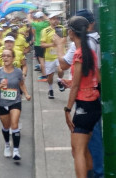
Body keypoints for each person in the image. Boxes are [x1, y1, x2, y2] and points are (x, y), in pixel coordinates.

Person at [54, 11, 103, 178]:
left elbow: (75, 86)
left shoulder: (79, 53)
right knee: (85, 148)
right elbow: (95, 77)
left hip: (84, 106)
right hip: (93, 104)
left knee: (78, 151)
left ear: (71, 33)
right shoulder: (90, 51)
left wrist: (67, 110)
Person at [0, 49, 31, 160]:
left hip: (15, 101)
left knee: (15, 124)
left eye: (8, 56)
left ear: (13, 58)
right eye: (4, 56)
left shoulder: (18, 72)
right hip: (2, 103)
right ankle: (7, 144)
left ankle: (16, 150)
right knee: (6, 126)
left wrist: (26, 94)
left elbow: (21, 84)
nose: (6, 58)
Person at [40, 12, 66, 99]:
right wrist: (52, 44)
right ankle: (50, 89)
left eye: (56, 19)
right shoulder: (45, 31)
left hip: (60, 55)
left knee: (61, 69)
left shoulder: (62, 29)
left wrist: (59, 43)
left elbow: (65, 40)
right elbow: (42, 44)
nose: (55, 21)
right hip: (49, 57)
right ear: (50, 20)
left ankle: (59, 81)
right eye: (53, 19)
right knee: (50, 76)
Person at [28, 11, 49, 76]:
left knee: (41, 61)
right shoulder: (47, 23)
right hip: (46, 44)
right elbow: (47, 18)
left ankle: (44, 75)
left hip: (38, 44)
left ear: (37, 18)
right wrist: (41, 12)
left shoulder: (36, 24)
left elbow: (29, 20)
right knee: (46, 60)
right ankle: (48, 74)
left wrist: (29, 13)